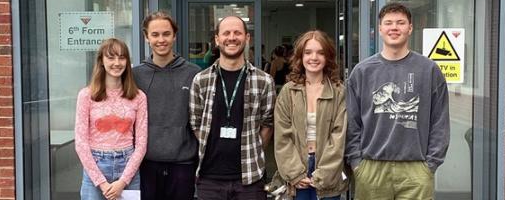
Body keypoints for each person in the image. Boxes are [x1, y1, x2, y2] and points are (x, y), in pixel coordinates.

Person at [346, 2, 450, 200]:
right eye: (388, 23)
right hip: (371, 169)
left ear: (410, 28)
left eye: (400, 23)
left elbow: (440, 121)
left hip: (416, 170)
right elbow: (352, 123)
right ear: (380, 29)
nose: (394, 27)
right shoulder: (362, 72)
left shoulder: (429, 70)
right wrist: (357, 164)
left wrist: (430, 165)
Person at [189, 15, 276, 200]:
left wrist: (252, 148)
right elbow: (196, 123)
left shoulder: (264, 81)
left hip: (250, 179)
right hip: (209, 178)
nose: (232, 37)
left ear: (247, 38)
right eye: (226, 33)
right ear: (217, 39)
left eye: (237, 33)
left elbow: (267, 124)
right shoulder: (201, 80)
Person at [133, 12, 201, 200]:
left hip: (183, 165)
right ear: (147, 37)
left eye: (166, 34)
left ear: (174, 35)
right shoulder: (135, 76)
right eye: (155, 35)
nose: (161, 40)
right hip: (145, 164)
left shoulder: (194, 73)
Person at [274, 30, 348, 200]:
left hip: (328, 170)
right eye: (308, 52)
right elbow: (282, 137)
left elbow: (339, 137)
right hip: (296, 167)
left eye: (320, 52)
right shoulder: (288, 92)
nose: (313, 57)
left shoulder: (339, 92)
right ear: (300, 56)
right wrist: (295, 174)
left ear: (328, 57)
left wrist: (322, 175)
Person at [75, 38, 147, 200]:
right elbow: (80, 143)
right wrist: (102, 183)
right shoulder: (86, 95)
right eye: (111, 57)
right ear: (101, 61)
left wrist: (123, 181)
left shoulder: (139, 97)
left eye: (122, 58)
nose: (117, 63)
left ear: (127, 62)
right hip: (96, 167)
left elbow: (141, 143)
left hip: (128, 168)